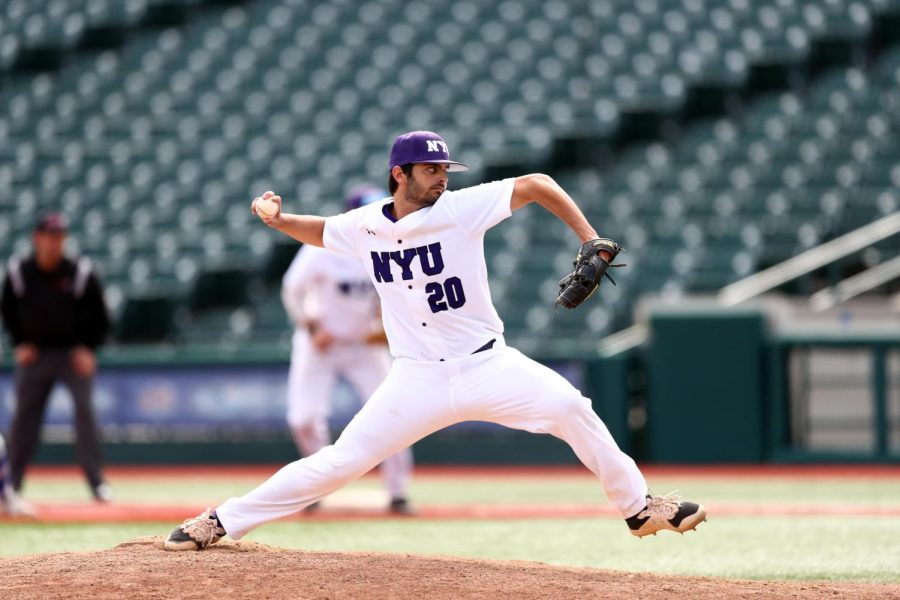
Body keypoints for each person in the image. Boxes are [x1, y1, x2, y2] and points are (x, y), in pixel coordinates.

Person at [165, 130, 706, 551]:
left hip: (487, 366)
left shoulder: (459, 209)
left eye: (446, 168)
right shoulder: (364, 225)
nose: (442, 177)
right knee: (340, 462)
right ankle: (220, 521)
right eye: (431, 169)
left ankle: (638, 508)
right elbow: (322, 230)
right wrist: (279, 220)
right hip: (416, 376)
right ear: (399, 174)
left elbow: (537, 183)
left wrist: (589, 238)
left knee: (570, 405)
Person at [281, 185, 414, 514]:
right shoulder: (321, 247)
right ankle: (316, 487)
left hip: (363, 347)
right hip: (320, 345)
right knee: (304, 419)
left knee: (395, 416)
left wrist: (384, 329)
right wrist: (311, 327)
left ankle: (398, 493)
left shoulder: (387, 246)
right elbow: (291, 290)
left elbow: (396, 295)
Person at [0, 213, 113, 503]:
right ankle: (11, 484)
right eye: (49, 237)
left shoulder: (80, 272)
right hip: (35, 355)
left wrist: (89, 348)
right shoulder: (18, 272)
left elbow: (101, 315)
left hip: (71, 355)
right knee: (25, 419)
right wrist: (20, 342)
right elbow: (8, 310)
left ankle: (97, 483)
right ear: (37, 238)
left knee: (85, 414)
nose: (54, 243)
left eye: (59, 237)